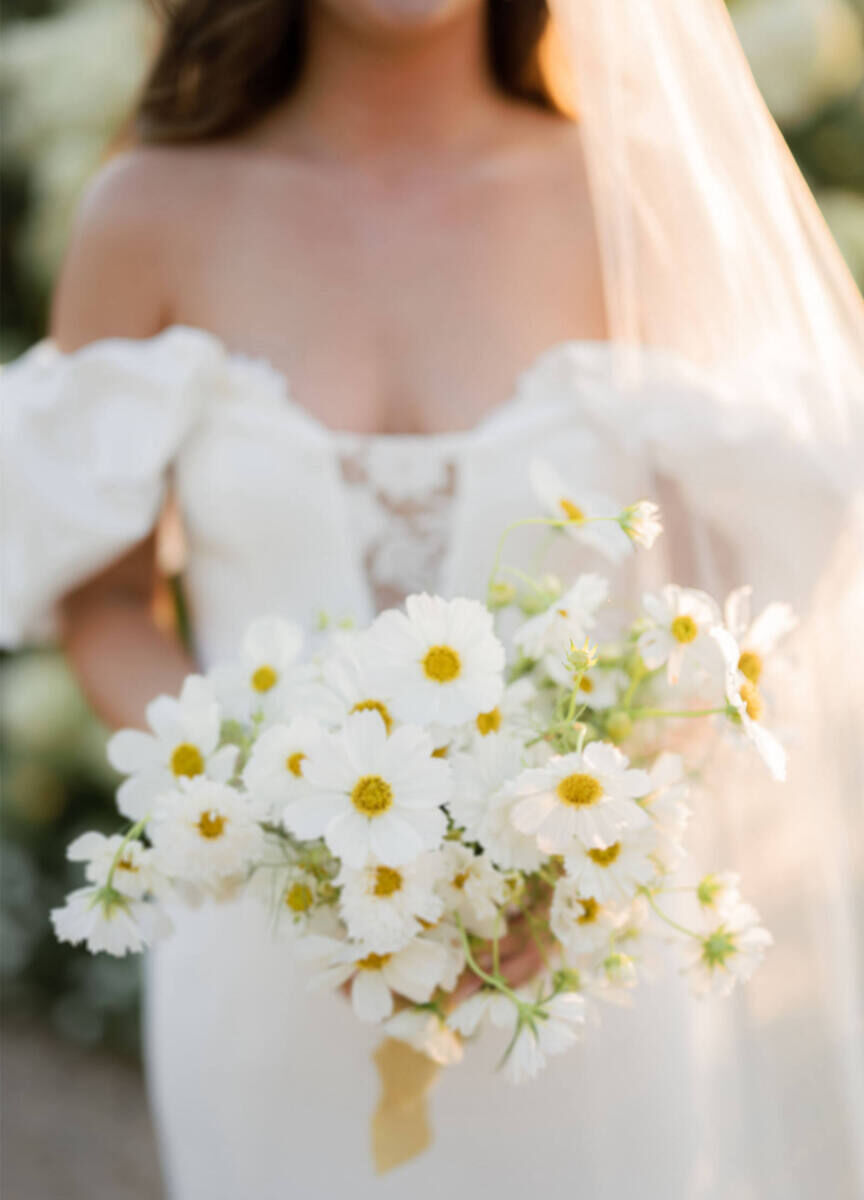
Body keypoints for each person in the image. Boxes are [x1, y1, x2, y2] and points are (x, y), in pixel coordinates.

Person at [2, 0, 862, 1196]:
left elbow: (741, 601)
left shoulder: (637, 197)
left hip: (575, 973)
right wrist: (274, 807)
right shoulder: (150, 214)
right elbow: (103, 602)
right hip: (274, 958)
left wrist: (570, 846)